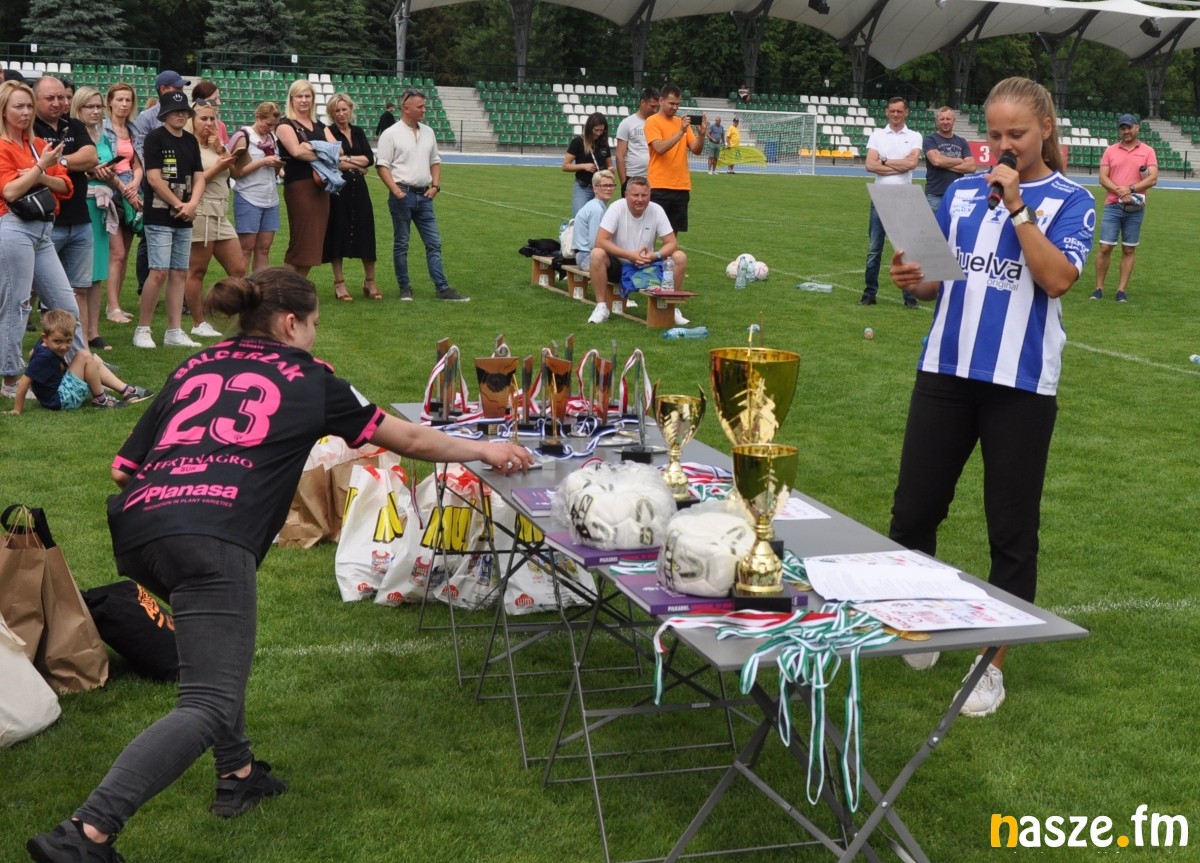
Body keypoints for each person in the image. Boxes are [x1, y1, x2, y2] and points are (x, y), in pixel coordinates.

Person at [24, 267, 533, 863]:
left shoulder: (194, 364)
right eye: (314, 324)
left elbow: (122, 468)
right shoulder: (311, 377)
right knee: (208, 701)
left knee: (219, 656)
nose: (315, 335)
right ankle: (86, 832)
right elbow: (411, 440)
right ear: (291, 323)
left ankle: (238, 775)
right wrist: (484, 448)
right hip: (210, 539)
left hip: (140, 530)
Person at [887, 77, 1095, 717]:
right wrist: (912, 278)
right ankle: (921, 624)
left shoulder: (1072, 200)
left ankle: (990, 665)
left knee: (1011, 532)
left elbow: (1057, 279)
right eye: (996, 134)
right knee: (913, 513)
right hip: (946, 372)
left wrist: (1019, 209)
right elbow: (938, 282)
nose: (1004, 145)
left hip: (1021, 386)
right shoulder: (960, 193)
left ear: (1046, 130)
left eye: (1018, 134)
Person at [0, 80, 73, 400]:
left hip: (43, 229)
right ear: (3, 110)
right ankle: (10, 380)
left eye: (29, 106)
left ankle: (79, 366)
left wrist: (33, 173)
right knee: (16, 305)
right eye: (18, 106)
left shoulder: (39, 143)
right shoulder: (3, 146)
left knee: (66, 304)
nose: (26, 112)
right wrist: (42, 168)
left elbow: (66, 187)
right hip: (14, 227)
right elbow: (9, 191)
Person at [375, 87, 468, 302]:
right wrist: (396, 191)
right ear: (406, 108)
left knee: (434, 243)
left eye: (424, 106)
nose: (424, 110)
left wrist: (435, 186)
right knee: (402, 244)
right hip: (403, 194)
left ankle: (442, 288)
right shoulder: (390, 134)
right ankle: (405, 288)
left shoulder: (428, 132)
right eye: (420, 106)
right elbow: (382, 165)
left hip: (425, 196)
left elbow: (435, 161)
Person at [134, 90, 205, 349]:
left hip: (185, 213)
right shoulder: (154, 138)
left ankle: (174, 330)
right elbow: (153, 178)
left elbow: (199, 176)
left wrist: (192, 204)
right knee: (159, 271)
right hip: (159, 214)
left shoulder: (190, 140)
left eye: (184, 111)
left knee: (179, 272)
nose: (181, 115)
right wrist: (179, 204)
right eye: (175, 111)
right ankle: (143, 329)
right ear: (164, 114)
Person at [33, 75, 98, 351]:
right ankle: (47, 351)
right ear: (36, 99)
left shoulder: (74, 125)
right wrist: (72, 162)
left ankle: (80, 353)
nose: (58, 103)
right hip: (47, 222)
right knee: (41, 294)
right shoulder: (30, 128)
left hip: (80, 221)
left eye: (61, 97)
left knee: (79, 290)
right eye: (50, 98)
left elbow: (91, 157)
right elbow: (33, 165)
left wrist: (56, 161)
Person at [586, 175, 688, 326]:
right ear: (626, 195)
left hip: (647, 264)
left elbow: (672, 243)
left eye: (644, 195)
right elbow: (600, 241)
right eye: (635, 195)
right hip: (619, 264)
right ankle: (601, 307)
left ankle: (671, 307)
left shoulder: (657, 210)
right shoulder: (616, 208)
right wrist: (629, 255)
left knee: (680, 257)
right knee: (597, 254)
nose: (640, 199)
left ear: (650, 195)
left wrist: (655, 255)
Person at [7, 309, 153, 413]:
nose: (64, 346)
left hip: (59, 392)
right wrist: (17, 409)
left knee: (93, 359)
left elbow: (31, 352)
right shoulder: (43, 357)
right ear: (45, 337)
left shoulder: (43, 344)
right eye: (58, 341)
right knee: (84, 355)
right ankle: (101, 399)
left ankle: (127, 391)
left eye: (68, 341)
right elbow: (24, 382)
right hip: (60, 400)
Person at [184, 100, 245, 340]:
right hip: (201, 211)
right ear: (192, 121)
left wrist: (222, 150)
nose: (209, 123)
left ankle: (228, 311)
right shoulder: (188, 146)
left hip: (220, 212)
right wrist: (218, 165)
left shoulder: (215, 145)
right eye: (203, 118)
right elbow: (191, 183)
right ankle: (198, 322)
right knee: (197, 270)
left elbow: (236, 172)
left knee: (239, 269)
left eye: (212, 118)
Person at [71, 86, 122, 351]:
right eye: (89, 106)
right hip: (82, 204)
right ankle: (77, 331)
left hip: (101, 206)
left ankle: (93, 331)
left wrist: (110, 175)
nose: (95, 111)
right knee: (81, 274)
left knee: (97, 273)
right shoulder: (72, 136)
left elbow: (112, 177)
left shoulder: (103, 138)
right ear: (77, 108)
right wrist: (90, 173)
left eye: (99, 106)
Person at [860, 95, 923, 308]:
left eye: (899, 111)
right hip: (880, 197)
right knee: (874, 249)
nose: (895, 114)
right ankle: (869, 294)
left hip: (904, 198)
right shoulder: (877, 135)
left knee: (905, 250)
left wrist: (884, 161)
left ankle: (909, 297)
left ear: (906, 113)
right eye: (892, 111)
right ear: (887, 112)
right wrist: (900, 165)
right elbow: (870, 165)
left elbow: (912, 163)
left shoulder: (914, 136)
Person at [131, 71, 190, 293]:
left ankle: (176, 293)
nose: (180, 91)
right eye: (177, 87)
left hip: (181, 185)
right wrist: (155, 177)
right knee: (149, 238)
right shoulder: (146, 118)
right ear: (163, 89)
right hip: (154, 184)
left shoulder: (183, 114)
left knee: (179, 238)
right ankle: (144, 286)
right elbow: (140, 151)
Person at [1091, 113, 1157, 303]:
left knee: (1129, 249)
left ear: (1137, 127)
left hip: (1135, 208)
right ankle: (1099, 288)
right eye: (1123, 128)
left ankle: (1121, 290)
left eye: (1129, 127)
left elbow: (1152, 178)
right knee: (1105, 247)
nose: (1126, 131)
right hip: (1113, 205)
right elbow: (1103, 177)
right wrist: (1120, 192)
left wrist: (1130, 189)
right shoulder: (1110, 150)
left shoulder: (1148, 151)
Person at [322, 93, 379, 299]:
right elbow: (333, 162)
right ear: (331, 113)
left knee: (366, 231)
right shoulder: (328, 132)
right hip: (339, 190)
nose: (341, 114)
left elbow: (369, 159)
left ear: (351, 110)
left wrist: (348, 158)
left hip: (359, 189)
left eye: (344, 109)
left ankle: (370, 281)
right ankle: (339, 283)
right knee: (337, 233)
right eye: (336, 110)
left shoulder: (358, 131)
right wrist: (357, 164)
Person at [276, 79, 330, 284]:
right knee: (301, 242)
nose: (304, 100)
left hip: (321, 187)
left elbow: (338, 150)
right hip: (300, 186)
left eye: (308, 96)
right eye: (299, 96)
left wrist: (311, 148)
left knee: (313, 243)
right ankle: (282, 288)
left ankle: (296, 288)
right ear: (292, 99)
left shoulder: (319, 125)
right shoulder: (285, 124)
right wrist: (323, 152)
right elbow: (296, 152)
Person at [102, 82, 143, 325]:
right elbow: (106, 166)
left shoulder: (132, 129)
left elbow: (137, 163)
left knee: (125, 253)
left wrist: (135, 183)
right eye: (119, 99)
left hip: (131, 189)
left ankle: (114, 303)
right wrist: (126, 190)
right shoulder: (103, 129)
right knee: (116, 253)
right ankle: (112, 307)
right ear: (110, 102)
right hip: (112, 191)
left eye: (128, 100)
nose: (124, 104)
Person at [227, 102, 283, 274]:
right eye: (268, 124)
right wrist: (263, 162)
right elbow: (235, 172)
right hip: (248, 197)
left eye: (274, 125)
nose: (271, 128)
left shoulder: (272, 138)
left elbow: (273, 172)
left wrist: (278, 167)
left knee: (264, 248)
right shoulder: (243, 136)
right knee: (246, 248)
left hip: (270, 198)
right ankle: (240, 286)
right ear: (258, 117)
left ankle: (261, 286)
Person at [643, 83, 705, 235]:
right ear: (661, 100)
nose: (675, 107)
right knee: (650, 232)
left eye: (678, 104)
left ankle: (670, 252)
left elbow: (696, 149)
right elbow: (659, 148)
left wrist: (702, 135)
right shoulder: (652, 121)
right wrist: (680, 132)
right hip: (659, 185)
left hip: (681, 185)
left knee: (672, 233)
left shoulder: (681, 122)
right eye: (672, 103)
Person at [923, 106, 976, 212]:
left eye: (948, 119)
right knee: (934, 224)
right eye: (942, 119)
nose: (945, 122)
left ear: (954, 120)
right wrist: (959, 160)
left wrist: (943, 162)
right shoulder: (930, 140)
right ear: (937, 121)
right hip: (935, 195)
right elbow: (936, 161)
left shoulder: (961, 141)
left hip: (958, 194)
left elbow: (972, 167)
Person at [562, 112, 612, 215]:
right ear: (589, 128)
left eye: (601, 130)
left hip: (600, 188)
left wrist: (610, 170)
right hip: (583, 187)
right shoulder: (578, 142)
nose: (598, 133)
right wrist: (583, 166)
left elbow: (609, 165)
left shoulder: (604, 143)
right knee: (579, 217)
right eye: (596, 130)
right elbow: (565, 166)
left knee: (599, 218)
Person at [615, 87, 658, 196]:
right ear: (642, 102)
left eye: (656, 107)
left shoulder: (658, 123)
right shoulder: (627, 123)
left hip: (655, 177)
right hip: (632, 176)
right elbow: (620, 155)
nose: (655, 110)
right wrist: (624, 182)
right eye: (652, 106)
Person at [572, 168, 615, 271]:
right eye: (604, 186)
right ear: (595, 189)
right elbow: (595, 243)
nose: (608, 189)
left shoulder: (597, 205)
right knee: (622, 267)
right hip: (587, 257)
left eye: (611, 185)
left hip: (585, 255)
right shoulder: (597, 209)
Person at [188, 81, 229, 145]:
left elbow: (227, 149)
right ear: (200, 101)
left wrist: (220, 148)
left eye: (219, 98)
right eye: (215, 99)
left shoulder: (221, 126)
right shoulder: (184, 126)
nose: (219, 103)